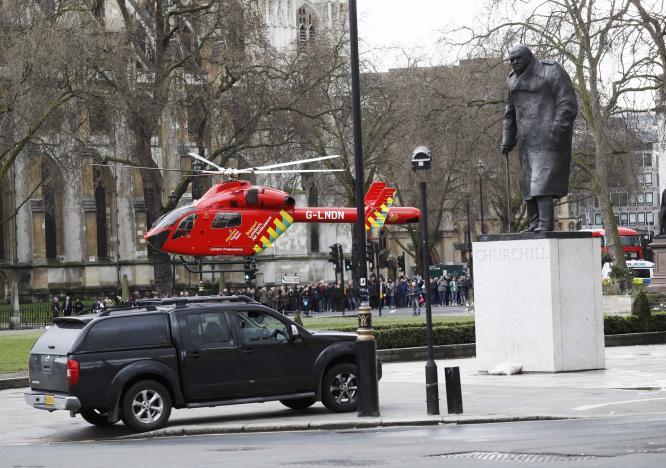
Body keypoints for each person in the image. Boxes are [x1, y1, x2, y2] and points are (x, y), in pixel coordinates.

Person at [502, 44, 578, 233]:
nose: (514, 63)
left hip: (548, 137)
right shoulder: (511, 80)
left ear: (529, 56)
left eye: (517, 58)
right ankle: (534, 222)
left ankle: (545, 223)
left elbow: (567, 102)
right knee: (528, 182)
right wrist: (507, 139)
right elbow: (510, 113)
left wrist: (557, 130)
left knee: (541, 181)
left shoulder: (550, 71)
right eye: (511, 60)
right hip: (526, 140)